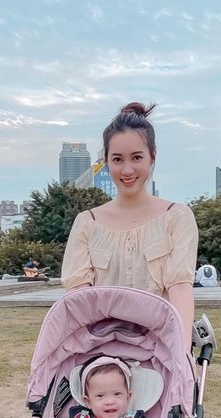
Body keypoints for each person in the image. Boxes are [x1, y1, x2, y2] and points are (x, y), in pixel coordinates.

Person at [61, 102, 198, 351]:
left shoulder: (176, 217)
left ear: (152, 156)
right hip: (101, 354)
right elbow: (79, 299)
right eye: (117, 159)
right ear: (105, 160)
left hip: (159, 351)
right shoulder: (87, 223)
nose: (127, 170)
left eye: (136, 157)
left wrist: (182, 354)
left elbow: (180, 288)